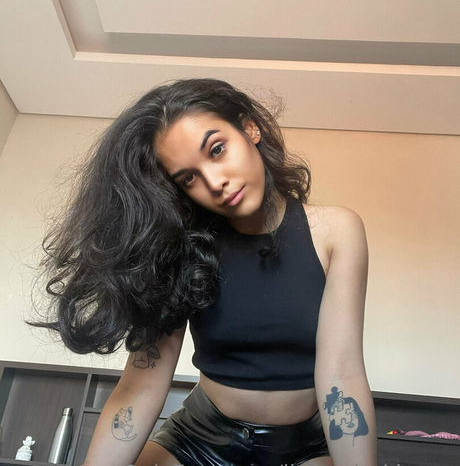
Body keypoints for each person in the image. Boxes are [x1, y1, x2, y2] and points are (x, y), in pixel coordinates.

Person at [32, 78, 377, 466]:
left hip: (301, 449)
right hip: (198, 439)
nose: (214, 183)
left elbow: (341, 376)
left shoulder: (336, 231)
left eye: (216, 149)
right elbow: (141, 385)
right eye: (188, 178)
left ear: (250, 128)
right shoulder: (178, 247)